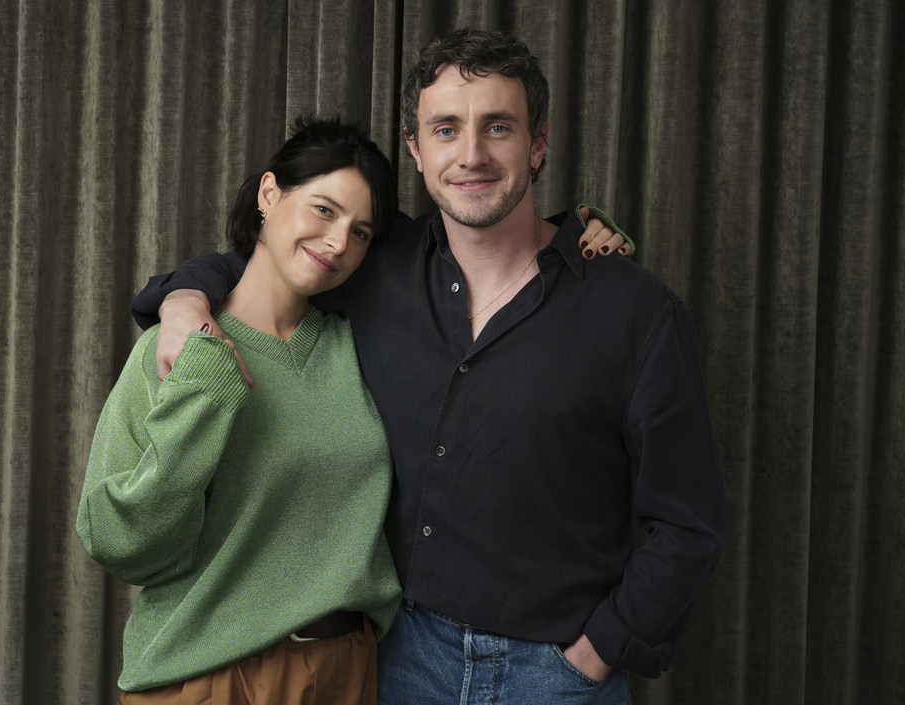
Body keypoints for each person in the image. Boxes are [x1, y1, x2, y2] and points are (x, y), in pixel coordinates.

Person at [132, 29, 727, 705]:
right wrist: (183, 297)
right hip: (395, 660)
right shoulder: (373, 265)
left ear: (537, 144)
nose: (471, 154)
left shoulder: (636, 312)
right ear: (416, 149)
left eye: (498, 126)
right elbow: (261, 268)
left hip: (555, 675)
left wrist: (594, 655)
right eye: (446, 129)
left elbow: (691, 524)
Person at [77, 118, 405, 705]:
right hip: (208, 674)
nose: (338, 242)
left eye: (360, 232)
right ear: (269, 194)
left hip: (343, 670)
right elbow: (120, 542)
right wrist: (205, 390)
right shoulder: (173, 348)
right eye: (324, 210)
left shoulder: (356, 348)